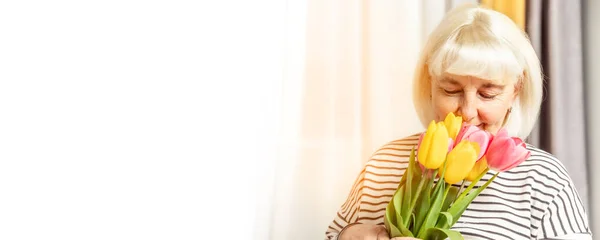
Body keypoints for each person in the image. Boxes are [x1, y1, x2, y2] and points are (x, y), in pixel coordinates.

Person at [325, 4, 593, 240]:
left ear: (516, 91)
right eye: (450, 90)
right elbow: (333, 235)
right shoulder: (382, 166)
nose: (467, 111)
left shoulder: (543, 180)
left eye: (488, 93)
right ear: (430, 85)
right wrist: (346, 236)